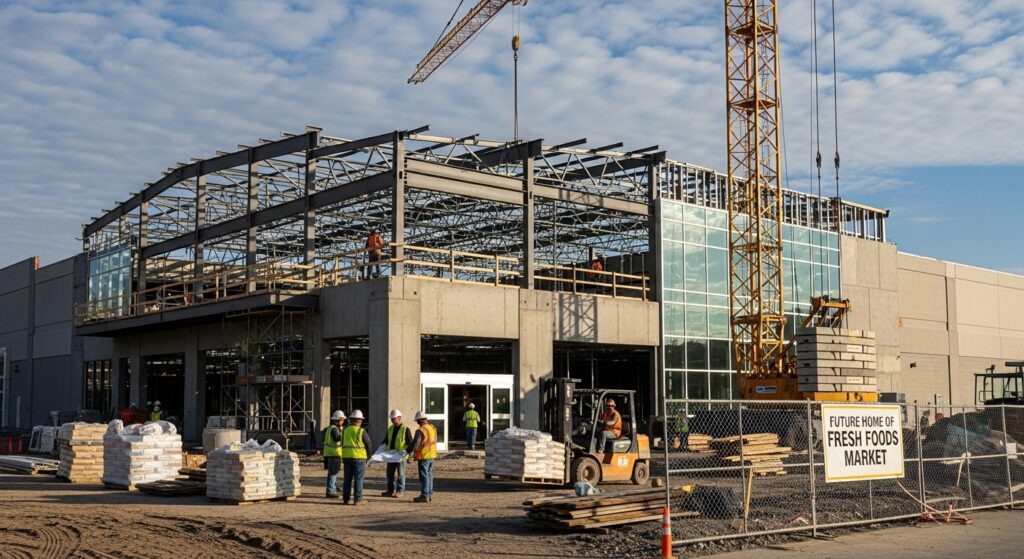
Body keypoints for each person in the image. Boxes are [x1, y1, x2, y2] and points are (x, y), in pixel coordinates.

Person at [341, 409, 373, 505]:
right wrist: (369, 456)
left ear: (351, 419)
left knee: (347, 479)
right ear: (360, 420)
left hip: (347, 457)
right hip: (359, 458)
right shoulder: (361, 431)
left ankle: (346, 499)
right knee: (358, 479)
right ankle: (357, 500)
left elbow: (342, 442)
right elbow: (368, 443)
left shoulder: (345, 430)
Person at [380, 409, 413, 498]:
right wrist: (380, 449)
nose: (392, 420)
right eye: (391, 419)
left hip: (400, 456)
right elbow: (386, 440)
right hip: (391, 455)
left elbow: (411, 443)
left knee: (400, 474)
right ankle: (390, 491)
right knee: (389, 473)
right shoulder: (391, 428)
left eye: (393, 418)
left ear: (399, 418)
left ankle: (400, 491)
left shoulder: (405, 429)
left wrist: (407, 452)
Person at [410, 410, 437, 503]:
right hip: (432, 455)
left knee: (424, 476)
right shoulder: (432, 428)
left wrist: (410, 452)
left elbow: (415, 443)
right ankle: (429, 494)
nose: (417, 423)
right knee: (429, 475)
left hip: (424, 456)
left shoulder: (421, 430)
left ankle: (424, 495)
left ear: (420, 420)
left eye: (417, 421)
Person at [322, 410, 345, 498]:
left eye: (342, 420)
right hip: (334, 454)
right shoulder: (335, 429)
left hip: (329, 453)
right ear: (337, 420)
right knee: (333, 473)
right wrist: (343, 433)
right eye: (341, 420)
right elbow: (336, 439)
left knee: (332, 472)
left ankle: (332, 488)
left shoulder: (330, 428)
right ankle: (331, 491)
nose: (342, 422)